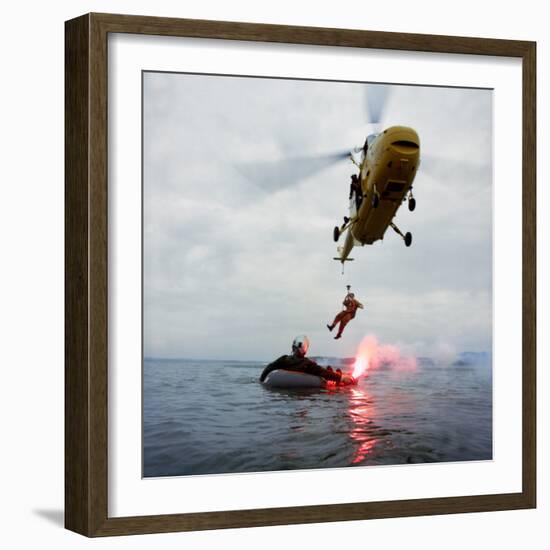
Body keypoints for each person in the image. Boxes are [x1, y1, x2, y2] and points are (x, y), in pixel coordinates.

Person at [259, 335, 355, 385]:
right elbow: (321, 372)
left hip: (284, 388)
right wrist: (340, 378)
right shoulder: (306, 363)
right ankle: (339, 376)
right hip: (309, 380)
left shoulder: (283, 359)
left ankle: (337, 375)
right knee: (323, 372)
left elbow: (269, 368)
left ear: (293, 347)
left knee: (322, 371)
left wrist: (261, 380)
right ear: (305, 350)